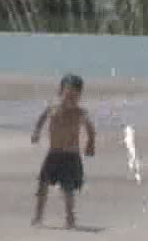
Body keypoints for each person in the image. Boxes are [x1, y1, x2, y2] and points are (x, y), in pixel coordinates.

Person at [30, 73, 98, 229]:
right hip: (53, 153)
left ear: (80, 96)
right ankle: (38, 216)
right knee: (43, 184)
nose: (70, 99)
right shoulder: (52, 108)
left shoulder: (80, 113)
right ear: (60, 92)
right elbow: (41, 119)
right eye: (67, 95)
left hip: (71, 155)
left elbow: (91, 130)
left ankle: (70, 218)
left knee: (67, 189)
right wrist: (36, 132)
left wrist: (90, 144)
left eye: (75, 96)